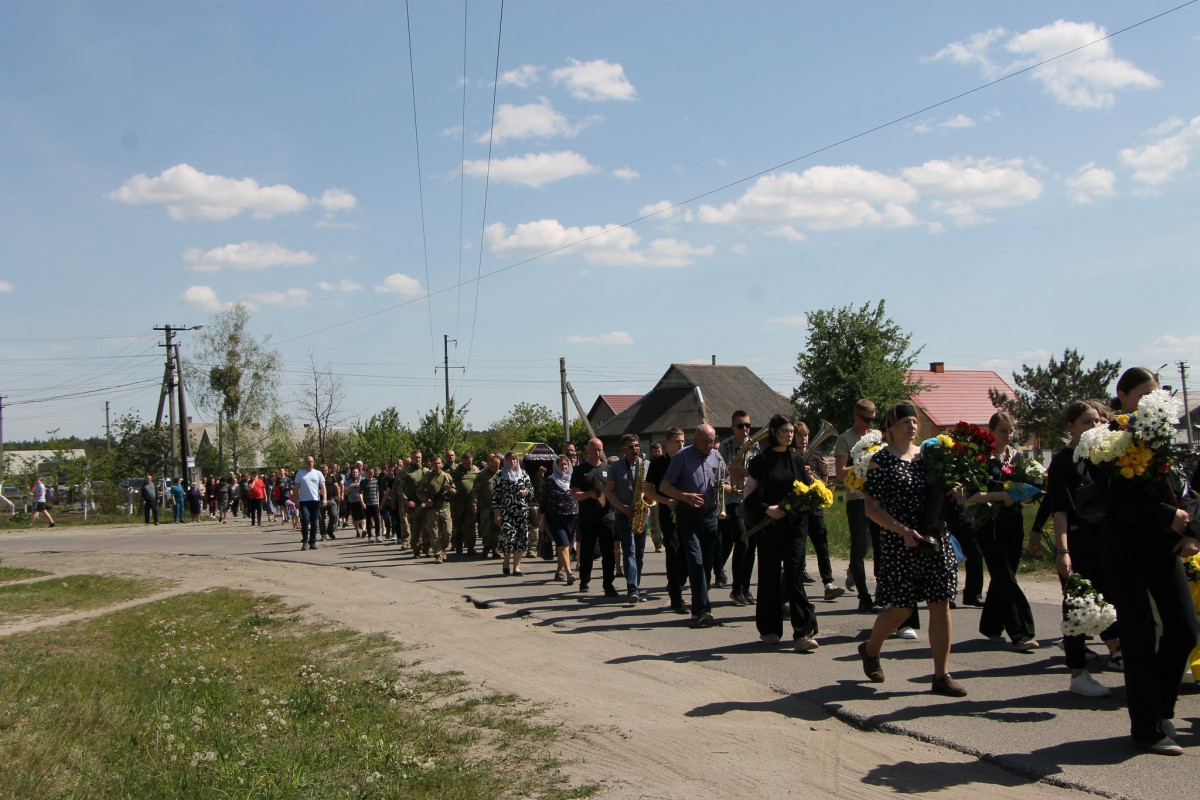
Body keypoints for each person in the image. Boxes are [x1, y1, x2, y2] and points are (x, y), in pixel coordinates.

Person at [1093, 367, 1199, 755]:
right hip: (1124, 549)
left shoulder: (1161, 436)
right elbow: (1116, 500)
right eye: (1143, 393)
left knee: (1185, 630)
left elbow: (1187, 490)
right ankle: (1146, 729)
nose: (1153, 400)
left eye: (1157, 393)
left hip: (1164, 547)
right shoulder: (1110, 439)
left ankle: (1160, 709)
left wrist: (1191, 531)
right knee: (1138, 637)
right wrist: (1162, 515)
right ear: (1122, 396)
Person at [857, 403, 966, 697]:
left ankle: (941, 675)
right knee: (902, 609)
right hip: (901, 542)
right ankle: (870, 649)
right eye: (906, 422)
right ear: (891, 427)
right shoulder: (881, 462)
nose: (912, 426)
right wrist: (903, 531)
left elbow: (943, 489)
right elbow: (871, 508)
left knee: (940, 603)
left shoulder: (930, 457)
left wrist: (955, 489)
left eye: (915, 422)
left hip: (934, 539)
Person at [1047, 401, 1119, 698]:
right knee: (1078, 605)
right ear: (1071, 427)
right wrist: (1063, 552)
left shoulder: (1108, 456)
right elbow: (1060, 510)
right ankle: (1078, 672)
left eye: (1099, 421)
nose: (1095, 427)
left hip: (1109, 538)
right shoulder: (1063, 461)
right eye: (1087, 423)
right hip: (1079, 541)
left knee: (1111, 598)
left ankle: (1117, 652)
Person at [744, 414, 819, 652]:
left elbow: (805, 490)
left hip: (795, 526)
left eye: (791, 431)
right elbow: (749, 497)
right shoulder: (759, 462)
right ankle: (769, 629)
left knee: (795, 575)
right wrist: (768, 509)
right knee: (769, 576)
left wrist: (809, 501)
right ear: (774, 432)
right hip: (769, 528)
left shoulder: (797, 460)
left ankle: (803, 632)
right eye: (784, 431)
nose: (789, 435)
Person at [967, 412, 1038, 651]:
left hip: (1013, 521)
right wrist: (1003, 495)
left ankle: (991, 625)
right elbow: (973, 495)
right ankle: (1021, 633)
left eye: (1011, 431)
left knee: (1003, 575)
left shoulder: (1017, 458)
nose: (1008, 435)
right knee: (1006, 577)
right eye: (1003, 431)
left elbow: (1025, 491)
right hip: (989, 524)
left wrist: (1028, 494)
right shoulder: (981, 458)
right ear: (992, 431)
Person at [660, 424, 730, 628]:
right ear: (696, 439)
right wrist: (685, 496)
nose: (709, 445)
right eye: (705, 441)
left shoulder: (716, 456)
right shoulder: (682, 456)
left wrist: (722, 487)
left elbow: (728, 484)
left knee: (707, 565)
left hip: (710, 516)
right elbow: (665, 486)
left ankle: (697, 609)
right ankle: (702, 610)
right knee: (696, 561)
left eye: (712, 441)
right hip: (688, 516)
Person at [835, 399, 882, 614]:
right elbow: (841, 473)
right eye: (865, 419)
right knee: (860, 547)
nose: (869, 423)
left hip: (879, 498)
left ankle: (882, 593)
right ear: (856, 416)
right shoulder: (845, 439)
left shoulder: (877, 437)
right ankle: (864, 596)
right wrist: (864, 463)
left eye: (872, 419)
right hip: (857, 499)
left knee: (881, 548)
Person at [793, 421, 844, 602]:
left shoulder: (814, 458)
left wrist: (823, 473)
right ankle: (795, 586)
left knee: (822, 545)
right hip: (798, 509)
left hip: (815, 508)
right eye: (800, 435)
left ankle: (828, 584)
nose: (804, 439)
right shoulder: (790, 458)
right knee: (797, 551)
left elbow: (824, 487)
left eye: (806, 435)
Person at [645, 428, 690, 614]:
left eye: (683, 441)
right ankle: (676, 598)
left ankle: (676, 583)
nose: (681, 445)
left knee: (688, 555)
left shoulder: (687, 460)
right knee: (673, 552)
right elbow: (648, 491)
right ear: (668, 443)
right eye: (678, 441)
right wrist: (666, 501)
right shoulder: (658, 464)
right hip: (667, 513)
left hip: (687, 513)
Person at [718, 410, 760, 606]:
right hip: (732, 498)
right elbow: (716, 470)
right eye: (741, 426)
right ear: (733, 427)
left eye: (747, 426)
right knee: (742, 542)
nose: (745, 429)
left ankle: (745, 588)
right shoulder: (726, 446)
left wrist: (750, 472)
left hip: (749, 498)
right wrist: (731, 469)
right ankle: (736, 589)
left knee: (751, 545)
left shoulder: (754, 445)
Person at [606, 434, 650, 603]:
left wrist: (648, 493)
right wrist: (621, 507)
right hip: (623, 514)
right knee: (629, 550)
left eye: (637, 445)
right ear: (624, 449)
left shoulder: (646, 465)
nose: (635, 449)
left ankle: (636, 588)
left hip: (641, 512)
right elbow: (609, 492)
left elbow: (653, 490)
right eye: (631, 446)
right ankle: (632, 587)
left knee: (639, 552)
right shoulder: (615, 467)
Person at [570, 439, 617, 596]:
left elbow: (613, 491)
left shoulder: (608, 469)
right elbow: (574, 494)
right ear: (588, 451)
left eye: (600, 450)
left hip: (607, 516)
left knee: (608, 551)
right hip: (588, 517)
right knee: (587, 550)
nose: (597, 453)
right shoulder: (580, 470)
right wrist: (589, 494)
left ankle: (608, 584)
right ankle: (584, 581)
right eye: (595, 450)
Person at [540, 454, 578, 585]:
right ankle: (569, 573)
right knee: (563, 544)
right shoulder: (550, 480)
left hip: (572, 516)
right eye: (561, 464)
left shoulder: (573, 479)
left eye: (566, 464)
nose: (564, 467)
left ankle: (558, 571)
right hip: (555, 517)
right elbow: (543, 501)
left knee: (568, 545)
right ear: (556, 466)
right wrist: (542, 519)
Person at [493, 451, 533, 576]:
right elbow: (496, 496)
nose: (512, 461)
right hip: (506, 511)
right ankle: (506, 561)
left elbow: (531, 491)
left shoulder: (524, 475)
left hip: (521, 511)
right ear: (505, 461)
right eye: (510, 459)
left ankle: (516, 567)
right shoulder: (500, 476)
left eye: (514, 459)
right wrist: (497, 513)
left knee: (521, 539)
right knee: (508, 537)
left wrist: (526, 492)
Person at [419, 456, 456, 563]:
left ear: (442, 464)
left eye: (439, 463)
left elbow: (454, 491)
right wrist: (426, 500)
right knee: (434, 533)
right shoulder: (427, 477)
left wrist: (450, 490)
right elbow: (419, 491)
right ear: (431, 464)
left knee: (448, 532)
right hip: (432, 509)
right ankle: (438, 554)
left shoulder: (447, 476)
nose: (437, 465)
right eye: (435, 463)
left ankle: (442, 549)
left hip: (445, 508)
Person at [450, 452, 481, 556]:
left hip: (471, 503)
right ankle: (458, 547)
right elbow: (449, 483)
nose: (469, 465)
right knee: (458, 526)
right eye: (467, 463)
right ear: (462, 461)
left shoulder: (476, 470)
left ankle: (471, 547)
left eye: (471, 463)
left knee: (471, 526)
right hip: (457, 503)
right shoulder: (454, 470)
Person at [295, 455, 326, 551]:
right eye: (308, 461)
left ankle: (313, 541)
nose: (310, 463)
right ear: (305, 462)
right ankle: (305, 541)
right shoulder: (300, 474)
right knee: (305, 520)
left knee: (314, 522)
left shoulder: (318, 473)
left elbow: (323, 487)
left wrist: (324, 498)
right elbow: (296, 488)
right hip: (304, 501)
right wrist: (296, 499)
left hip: (315, 500)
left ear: (314, 462)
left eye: (311, 461)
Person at [474, 454, 502, 558]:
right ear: (489, 464)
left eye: (498, 465)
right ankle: (486, 547)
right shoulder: (482, 474)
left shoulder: (502, 474)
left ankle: (495, 548)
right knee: (486, 527)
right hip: (486, 505)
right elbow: (475, 490)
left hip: (499, 506)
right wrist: (474, 503)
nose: (496, 468)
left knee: (497, 527)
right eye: (494, 465)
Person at [362, 467, 382, 542]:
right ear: (366, 473)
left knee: (377, 519)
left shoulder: (375, 481)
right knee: (368, 520)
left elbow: (377, 492)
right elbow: (360, 493)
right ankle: (370, 536)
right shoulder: (363, 482)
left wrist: (378, 502)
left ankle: (378, 535)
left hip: (375, 502)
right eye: (369, 473)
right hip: (367, 503)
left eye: (372, 473)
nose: (371, 475)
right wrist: (362, 502)